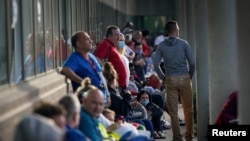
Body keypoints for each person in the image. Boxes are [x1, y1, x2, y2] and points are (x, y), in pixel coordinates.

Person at [153, 20, 195, 141]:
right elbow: (192, 63)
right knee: (188, 110)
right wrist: (189, 76)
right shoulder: (184, 44)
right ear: (176, 30)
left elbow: (156, 65)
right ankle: (189, 136)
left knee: (173, 111)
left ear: (166, 31)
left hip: (170, 79)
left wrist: (163, 77)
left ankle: (177, 137)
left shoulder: (161, 46)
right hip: (184, 77)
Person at [60, 31, 110, 107]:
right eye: (87, 39)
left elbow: (101, 75)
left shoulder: (91, 56)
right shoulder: (75, 58)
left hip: (103, 96)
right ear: (79, 44)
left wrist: (108, 94)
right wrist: (83, 82)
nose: (91, 41)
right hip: (91, 102)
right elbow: (65, 70)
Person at [94, 25, 128, 90]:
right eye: (116, 35)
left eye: (119, 35)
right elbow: (96, 60)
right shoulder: (105, 45)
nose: (118, 37)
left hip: (118, 85)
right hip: (113, 85)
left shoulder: (112, 45)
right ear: (109, 36)